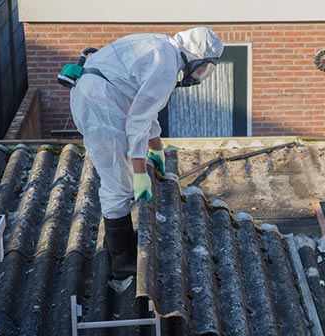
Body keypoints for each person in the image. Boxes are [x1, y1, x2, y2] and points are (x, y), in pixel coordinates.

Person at [70, 27, 224, 279]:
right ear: (193, 56)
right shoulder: (165, 67)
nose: (199, 74)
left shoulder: (164, 49)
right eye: (202, 67)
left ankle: (121, 242)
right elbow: (137, 122)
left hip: (102, 97)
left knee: (123, 178)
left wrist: (157, 150)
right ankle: (122, 263)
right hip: (99, 105)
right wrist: (141, 173)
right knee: (118, 185)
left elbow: (145, 109)